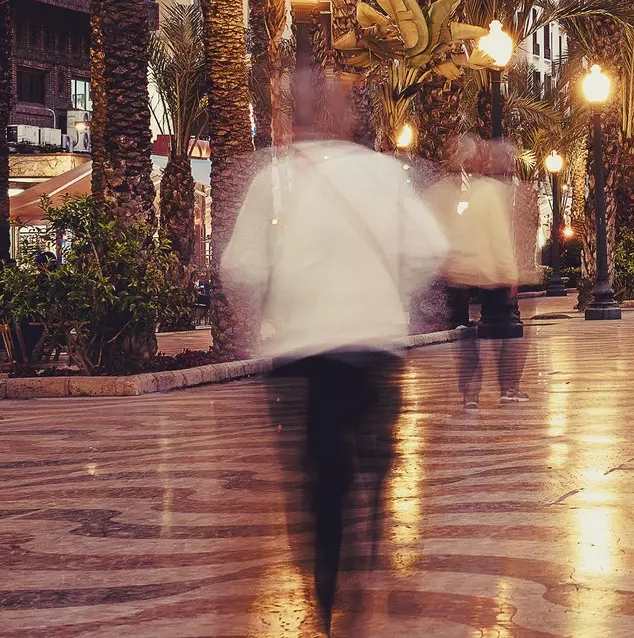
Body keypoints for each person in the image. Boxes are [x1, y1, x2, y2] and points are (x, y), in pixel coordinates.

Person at [222, 83, 446, 635]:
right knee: (374, 457)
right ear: (350, 121)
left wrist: (268, 309)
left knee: (317, 475)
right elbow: (429, 248)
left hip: (303, 351)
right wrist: (389, 289)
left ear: (293, 120)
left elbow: (240, 267)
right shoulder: (385, 175)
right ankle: (366, 546)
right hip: (373, 344)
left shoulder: (274, 179)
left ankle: (324, 591)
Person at [426, 136, 527, 408]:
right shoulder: (487, 191)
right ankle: (508, 388)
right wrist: (510, 274)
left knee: (464, 335)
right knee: (508, 327)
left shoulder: (439, 191)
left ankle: (470, 394)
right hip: (488, 271)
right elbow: (499, 236)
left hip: (456, 272)